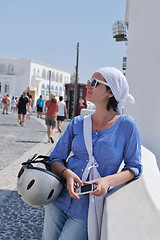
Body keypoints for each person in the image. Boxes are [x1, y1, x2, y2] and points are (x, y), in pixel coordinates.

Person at [42, 67, 143, 240]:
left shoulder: (127, 125)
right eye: (89, 82)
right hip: (58, 200)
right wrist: (67, 174)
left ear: (111, 91)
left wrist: (107, 181)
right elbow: (55, 158)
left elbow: (134, 168)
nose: (88, 86)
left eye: (94, 83)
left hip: (88, 208)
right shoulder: (78, 123)